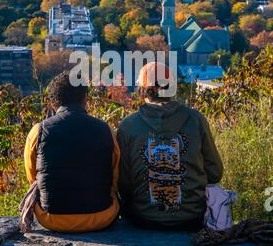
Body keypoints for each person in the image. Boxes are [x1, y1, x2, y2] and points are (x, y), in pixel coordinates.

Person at [117, 62, 223, 231]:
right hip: (191, 218)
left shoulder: (128, 126)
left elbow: (124, 183)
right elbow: (215, 172)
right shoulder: (196, 120)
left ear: (142, 89)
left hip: (144, 218)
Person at [24, 71, 120, 233]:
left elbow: (32, 176)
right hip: (101, 216)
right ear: (85, 99)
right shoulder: (105, 130)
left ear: (52, 102)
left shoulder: (38, 131)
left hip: (51, 218)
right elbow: (116, 176)